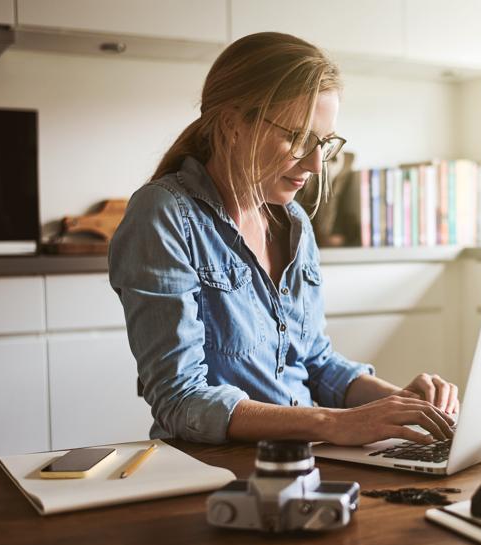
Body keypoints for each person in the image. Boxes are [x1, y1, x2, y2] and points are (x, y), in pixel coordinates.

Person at [109, 32, 458, 448]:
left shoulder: (293, 223)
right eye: (297, 138)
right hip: (214, 468)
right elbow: (180, 398)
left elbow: (315, 362)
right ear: (233, 124)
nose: (314, 163)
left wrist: (403, 404)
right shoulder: (165, 214)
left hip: (307, 459)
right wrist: (332, 424)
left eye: (324, 144)